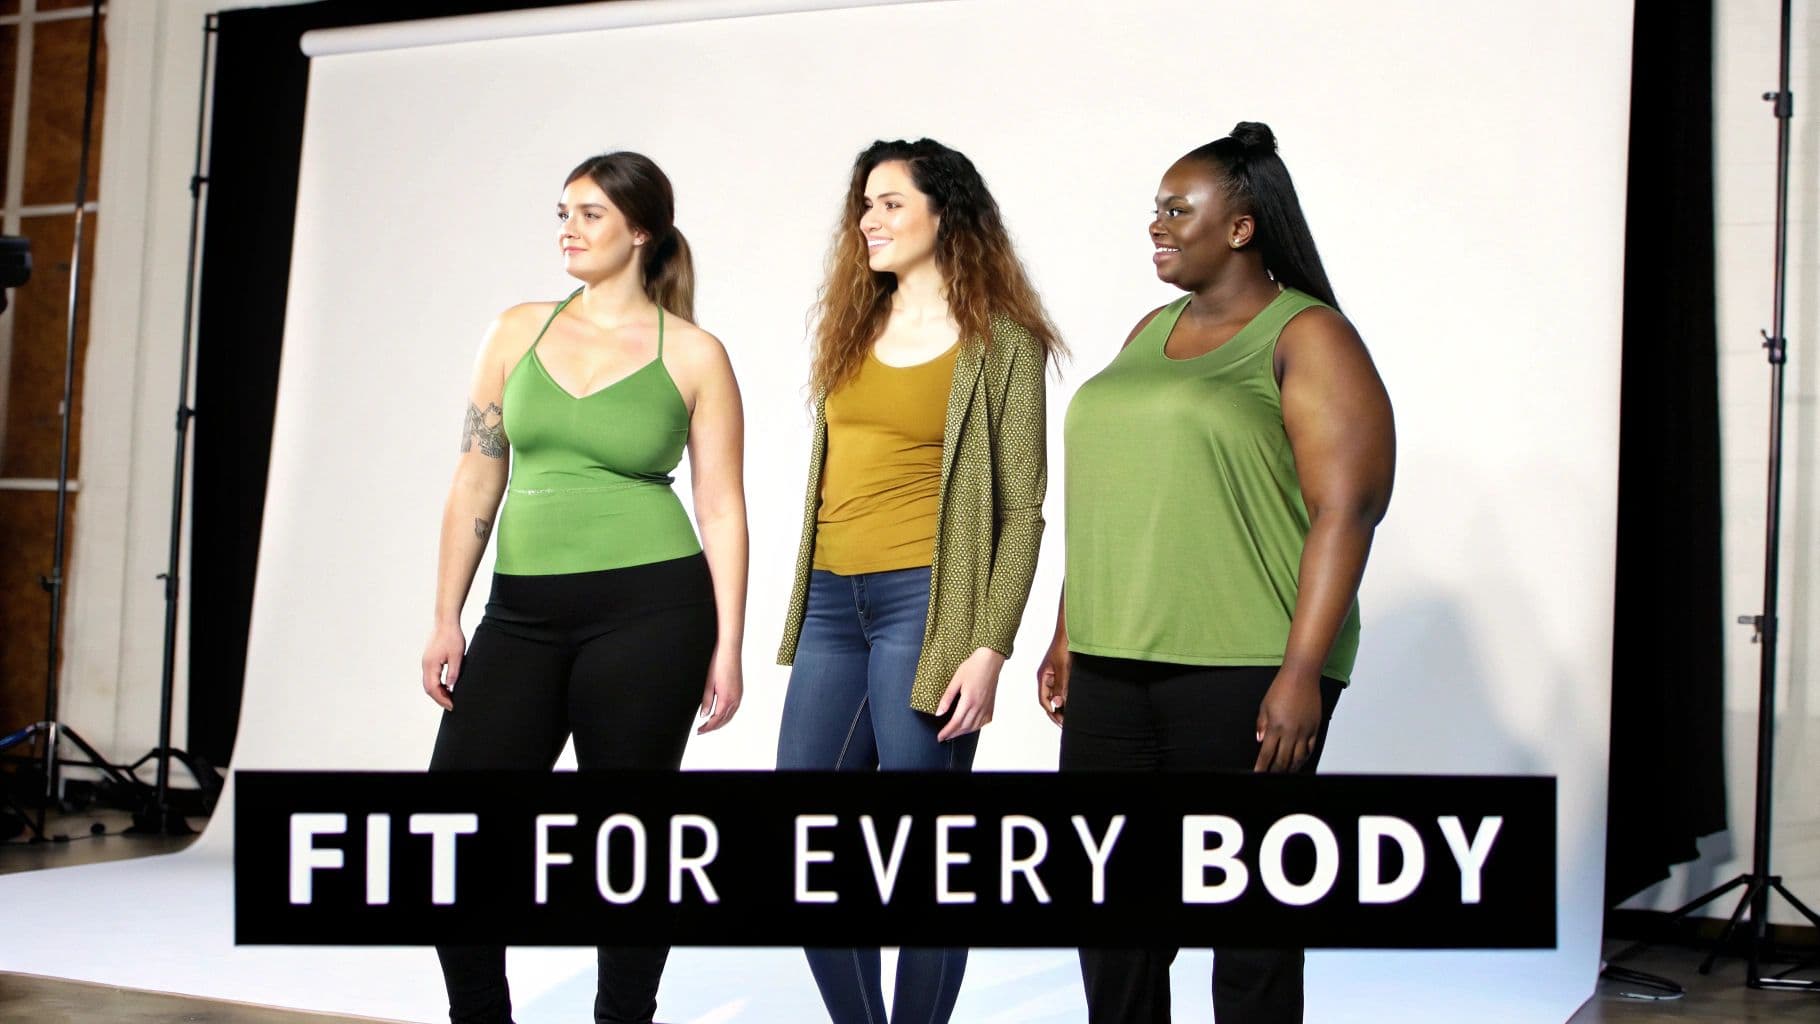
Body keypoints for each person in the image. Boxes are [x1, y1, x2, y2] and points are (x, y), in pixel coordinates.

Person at [1038, 121, 1395, 1023]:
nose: (1156, 225)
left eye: (1177, 210)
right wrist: (1069, 630)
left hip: (1244, 666)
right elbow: (1120, 492)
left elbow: (1348, 509)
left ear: (1240, 227)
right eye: (1155, 209)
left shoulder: (1309, 336)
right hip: (1114, 662)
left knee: (1248, 925)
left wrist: (1303, 671)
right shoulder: (1149, 331)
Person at [419, 151, 747, 1024]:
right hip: (521, 614)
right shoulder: (515, 331)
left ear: (641, 230)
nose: (568, 228)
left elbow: (721, 507)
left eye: (591, 213)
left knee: (627, 850)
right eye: (563, 212)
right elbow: (475, 477)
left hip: (654, 612)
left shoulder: (696, 354)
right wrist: (447, 615)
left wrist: (729, 644)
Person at [774, 138, 1063, 1024]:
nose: (869, 219)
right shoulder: (853, 328)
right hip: (832, 603)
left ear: (946, 213)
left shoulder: (1001, 343)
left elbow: (1021, 511)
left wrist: (990, 646)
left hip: (928, 606)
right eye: (865, 204)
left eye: (891, 202)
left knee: (929, 859)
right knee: (809, 851)